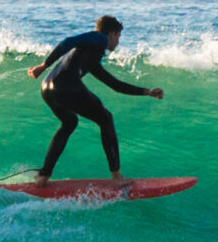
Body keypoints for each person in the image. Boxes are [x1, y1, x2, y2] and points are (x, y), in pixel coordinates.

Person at [26, 15, 163, 182]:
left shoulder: (90, 56)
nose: (118, 42)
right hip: (65, 85)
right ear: (111, 34)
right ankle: (117, 176)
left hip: (47, 87)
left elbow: (115, 85)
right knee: (106, 118)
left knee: (70, 122)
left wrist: (147, 92)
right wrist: (43, 65)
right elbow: (67, 41)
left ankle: (43, 175)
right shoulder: (99, 38)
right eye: (118, 37)